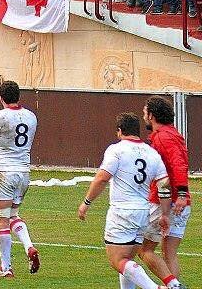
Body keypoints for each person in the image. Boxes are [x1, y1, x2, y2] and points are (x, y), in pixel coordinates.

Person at [77, 113, 172, 289]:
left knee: (117, 260)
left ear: (120, 131)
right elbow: (164, 185)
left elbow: (102, 178)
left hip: (122, 212)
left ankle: (154, 288)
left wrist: (86, 202)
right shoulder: (152, 153)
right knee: (127, 260)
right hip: (143, 212)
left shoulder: (117, 150)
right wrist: (165, 213)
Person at [0, 81, 40, 279]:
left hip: (3, 172)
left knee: (1, 219)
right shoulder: (31, 116)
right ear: (18, 96)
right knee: (13, 215)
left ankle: (6, 267)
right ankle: (29, 247)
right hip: (23, 173)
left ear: (1, 98)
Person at [141, 96, 192, 286]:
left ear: (152, 115)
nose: (144, 115)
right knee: (169, 253)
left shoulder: (163, 137)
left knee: (143, 249)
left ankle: (172, 285)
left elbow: (178, 165)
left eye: (145, 112)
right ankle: (173, 285)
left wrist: (180, 194)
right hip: (179, 202)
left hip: (166, 202)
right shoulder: (172, 134)